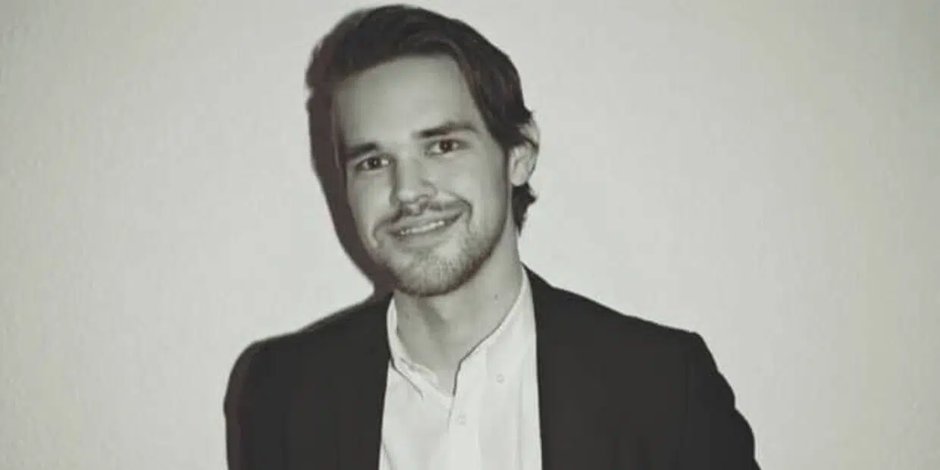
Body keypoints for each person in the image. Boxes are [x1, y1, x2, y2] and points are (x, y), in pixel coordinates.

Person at [225, 4, 759, 470]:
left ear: (519, 154)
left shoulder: (663, 387)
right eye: (373, 161)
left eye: (442, 147)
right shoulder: (280, 392)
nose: (407, 191)